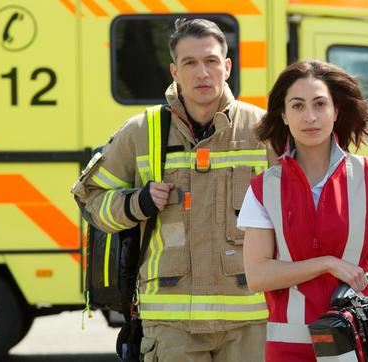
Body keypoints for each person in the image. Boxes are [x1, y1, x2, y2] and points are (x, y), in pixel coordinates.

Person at [72, 19, 271, 361]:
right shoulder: (141, 131)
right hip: (171, 325)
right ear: (174, 72)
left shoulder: (263, 130)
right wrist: (138, 203)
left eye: (210, 61)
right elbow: (91, 200)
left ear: (227, 67)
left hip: (249, 323)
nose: (202, 73)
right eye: (190, 63)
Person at [237, 60, 368, 362]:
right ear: (284, 116)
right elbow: (258, 276)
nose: (309, 116)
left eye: (320, 104)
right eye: (297, 106)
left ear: (336, 111)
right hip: (289, 352)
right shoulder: (263, 187)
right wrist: (326, 264)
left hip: (361, 348)